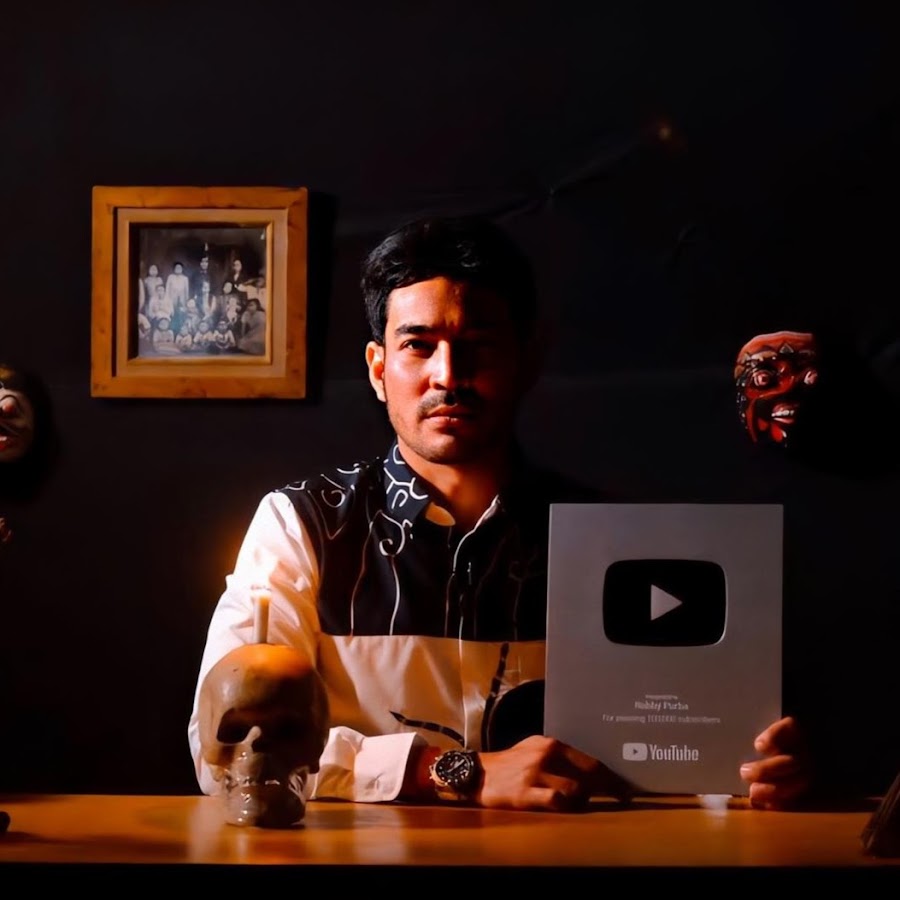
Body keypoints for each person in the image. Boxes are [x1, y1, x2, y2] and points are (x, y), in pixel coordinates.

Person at [188, 215, 811, 812]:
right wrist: (454, 772)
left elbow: (676, 756)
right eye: (418, 346)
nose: (447, 376)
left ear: (526, 361)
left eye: (478, 347)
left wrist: (749, 774)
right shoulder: (302, 526)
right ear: (378, 370)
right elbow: (222, 751)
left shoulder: (611, 541)